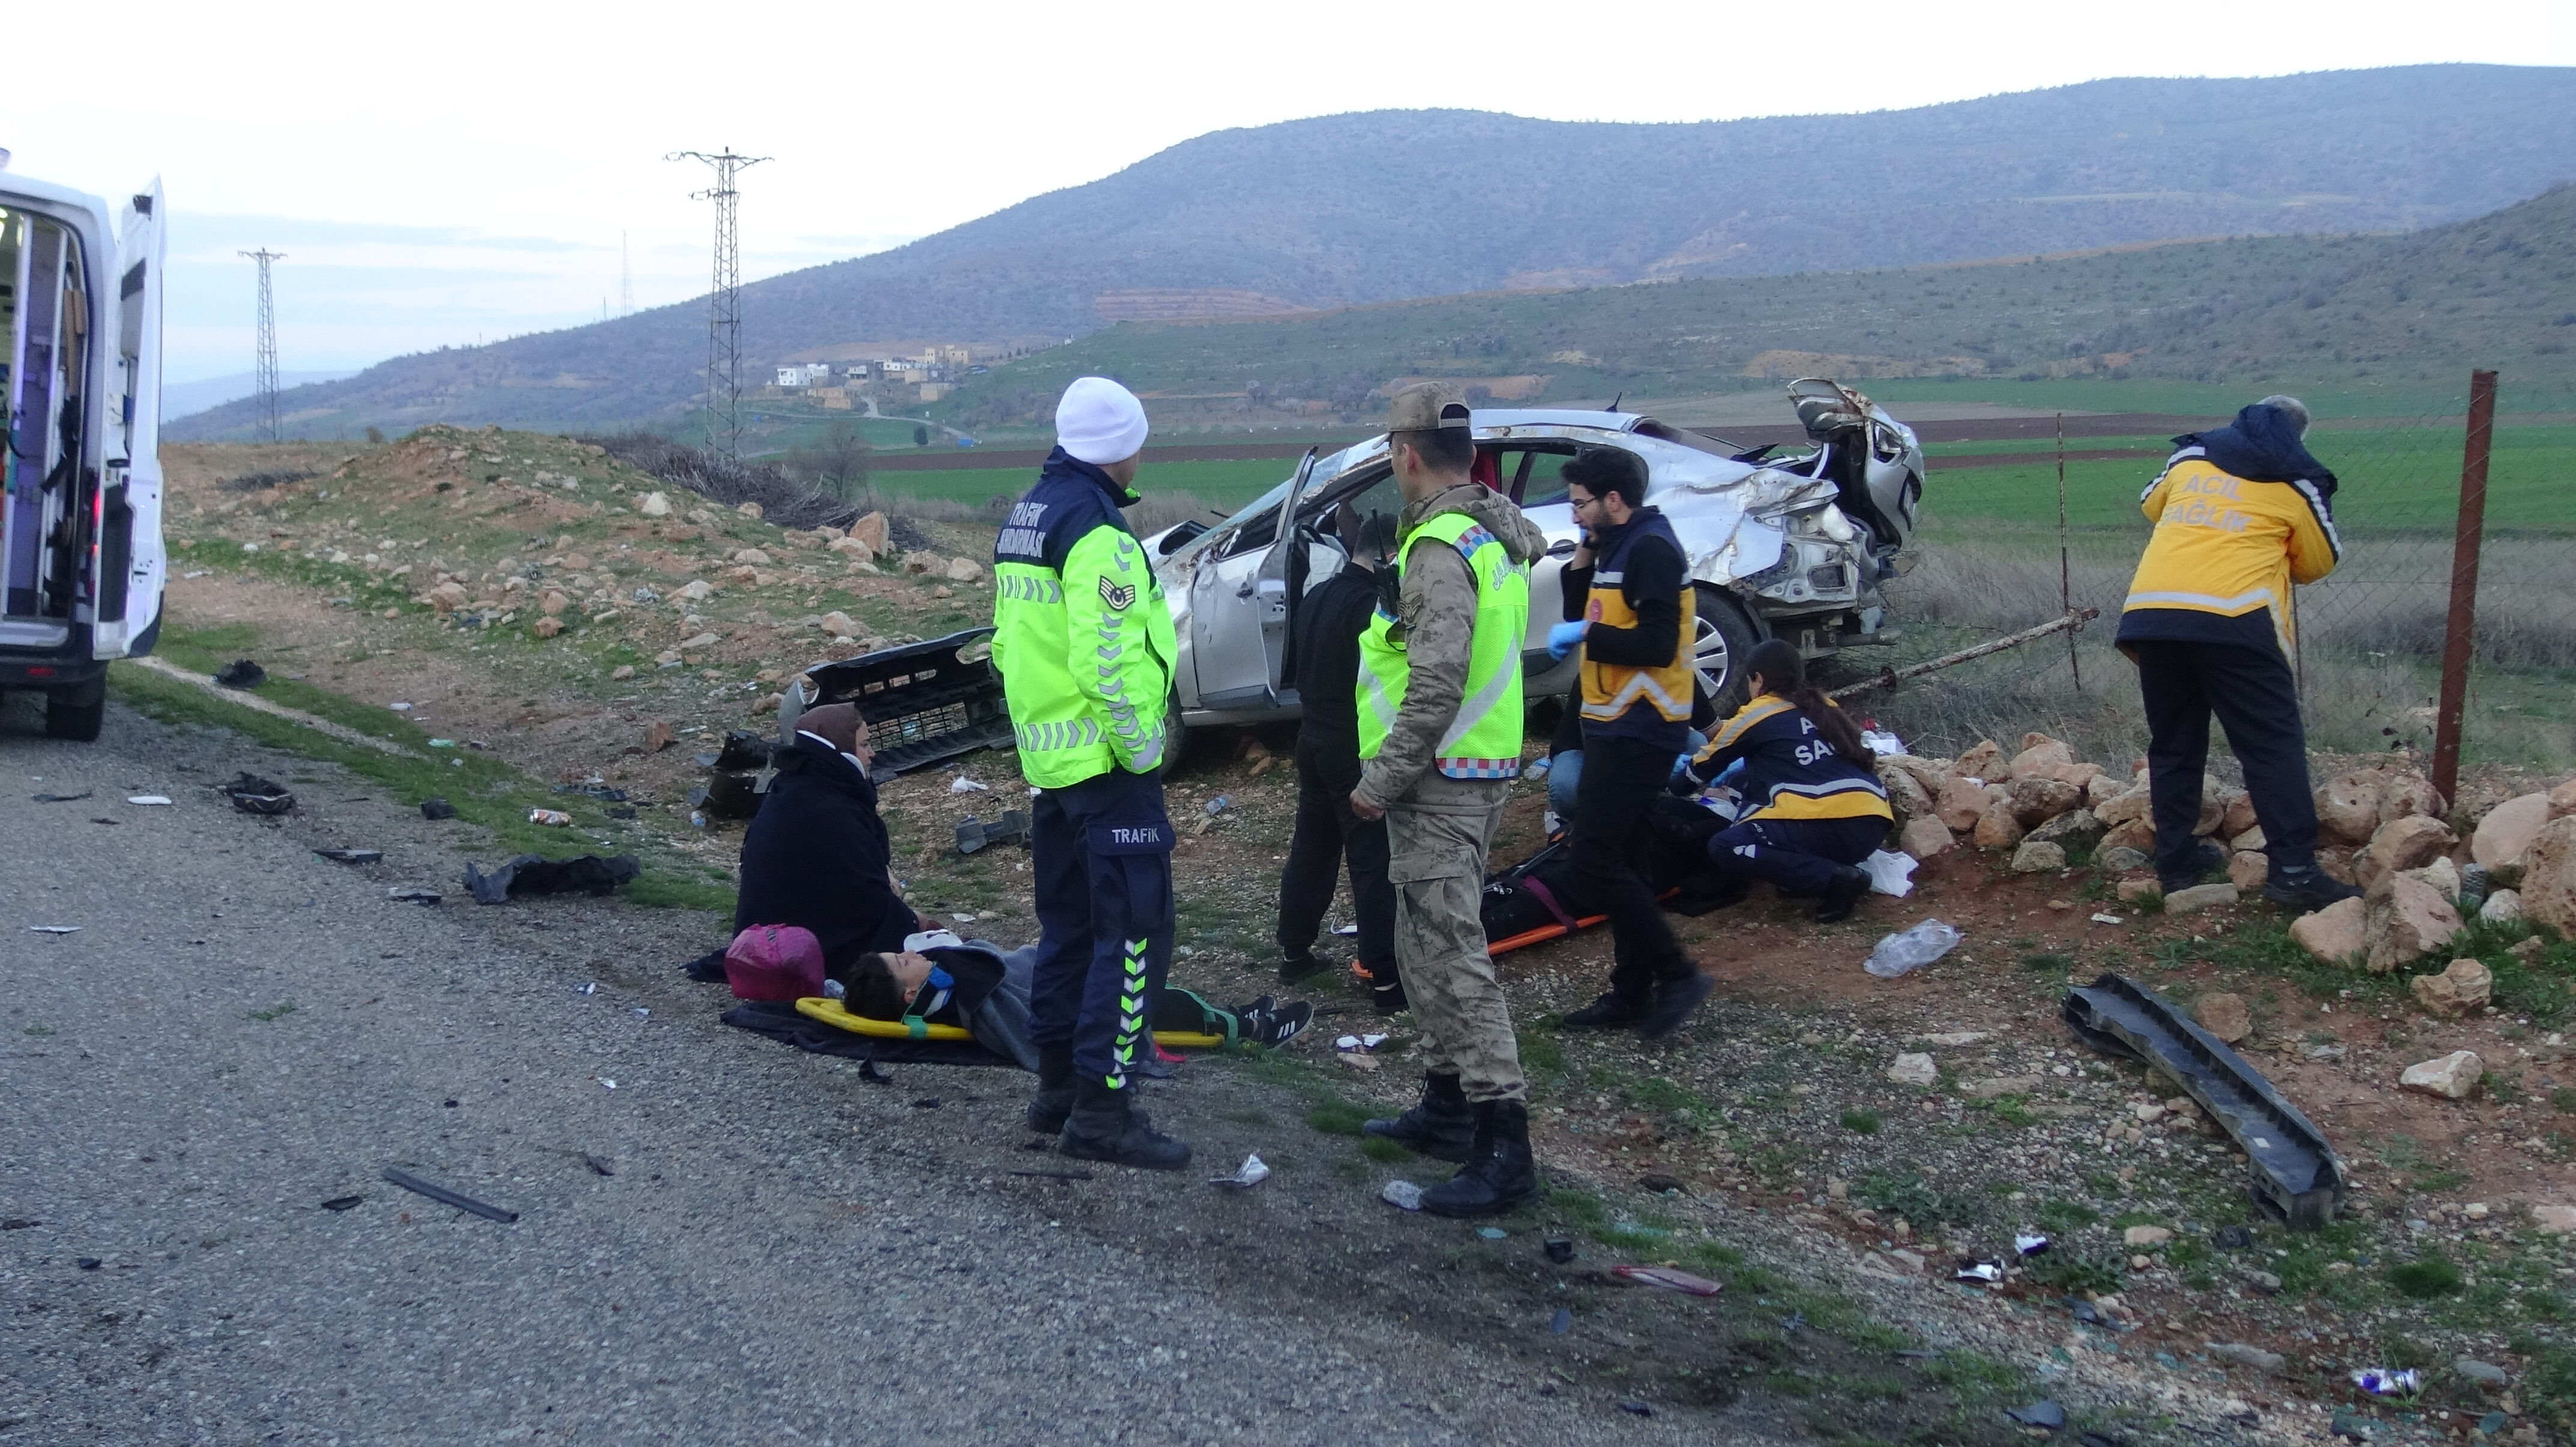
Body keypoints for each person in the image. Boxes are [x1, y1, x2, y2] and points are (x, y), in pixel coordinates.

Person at [1349, 383, 1549, 1217]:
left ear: (1404, 455)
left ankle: (1504, 1148)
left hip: (1438, 778)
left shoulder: (1438, 549)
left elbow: (1435, 682)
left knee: (1452, 955)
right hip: (1477, 764)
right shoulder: (1492, 531)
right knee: (1421, 940)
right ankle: (1444, 1103)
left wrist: (1379, 780)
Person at [989, 377, 1189, 1170]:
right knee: (1135, 936)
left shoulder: (1028, 514)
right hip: (1108, 767)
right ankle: (1106, 1110)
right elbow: (1105, 662)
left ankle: (1059, 1091)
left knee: (1068, 930)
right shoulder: (1099, 532)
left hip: (1055, 764)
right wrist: (1143, 752)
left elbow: (1010, 644)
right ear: (1121, 446)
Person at [2116, 396, 2357, 911]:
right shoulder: (2297, 482)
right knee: (2272, 746)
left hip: (2154, 613)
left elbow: (2151, 504)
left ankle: (2177, 863)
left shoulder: (2190, 459)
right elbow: (2317, 563)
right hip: (2237, 618)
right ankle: (2293, 872)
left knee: (2175, 744)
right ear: (2299, 437)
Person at [1549, 447, 1714, 1039]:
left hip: (1641, 727)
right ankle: (1631, 990)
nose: (1573, 515)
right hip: (1613, 724)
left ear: (1613, 499)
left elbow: (1655, 644)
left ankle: (1677, 973)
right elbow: (1582, 610)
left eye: (1580, 504)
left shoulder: (1650, 548)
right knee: (1631, 861)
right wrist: (1585, 552)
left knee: (1592, 860)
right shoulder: (1618, 543)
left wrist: (1587, 633)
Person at [1272, 507, 1404, 1011]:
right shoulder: (1373, 606)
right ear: (1390, 557)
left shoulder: (1318, 594)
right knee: (1373, 859)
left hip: (1311, 737)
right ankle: (1387, 980)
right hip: (1352, 745)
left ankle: (1294, 951)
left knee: (1313, 847)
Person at [1671, 639, 1891, 922]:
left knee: (1725, 846)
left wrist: (1672, 786)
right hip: (1872, 825)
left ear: (1758, 680)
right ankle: (1807, 875)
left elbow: (1692, 775)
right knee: (1752, 785)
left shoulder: (1758, 713)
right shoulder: (1828, 707)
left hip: (1825, 826)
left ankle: (1836, 880)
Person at [842, 936, 1314, 1058]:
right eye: (903, 961)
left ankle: (1233, 1014)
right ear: (910, 992)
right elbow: (1028, 1033)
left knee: (1165, 992)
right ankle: (1253, 1030)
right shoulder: (966, 996)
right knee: (1172, 1008)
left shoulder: (948, 979)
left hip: (1073, 973)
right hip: (1088, 998)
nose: (910, 953)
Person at [733, 702, 927, 984]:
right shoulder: (824, 809)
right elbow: (863, 897)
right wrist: (913, 922)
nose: (872, 754)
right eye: (864, 745)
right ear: (839, 749)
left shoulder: (803, 786)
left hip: (769, 931)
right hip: (790, 946)